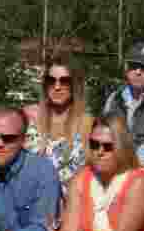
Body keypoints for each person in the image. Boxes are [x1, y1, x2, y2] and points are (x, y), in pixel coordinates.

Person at [22, 54, 93, 196]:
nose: (57, 87)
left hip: (70, 205)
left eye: (65, 81)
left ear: (75, 84)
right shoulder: (27, 116)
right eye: (51, 80)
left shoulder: (87, 124)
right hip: (28, 202)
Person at [103, 40, 144, 167]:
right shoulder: (113, 100)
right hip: (114, 170)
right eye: (134, 66)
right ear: (126, 68)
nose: (138, 72)